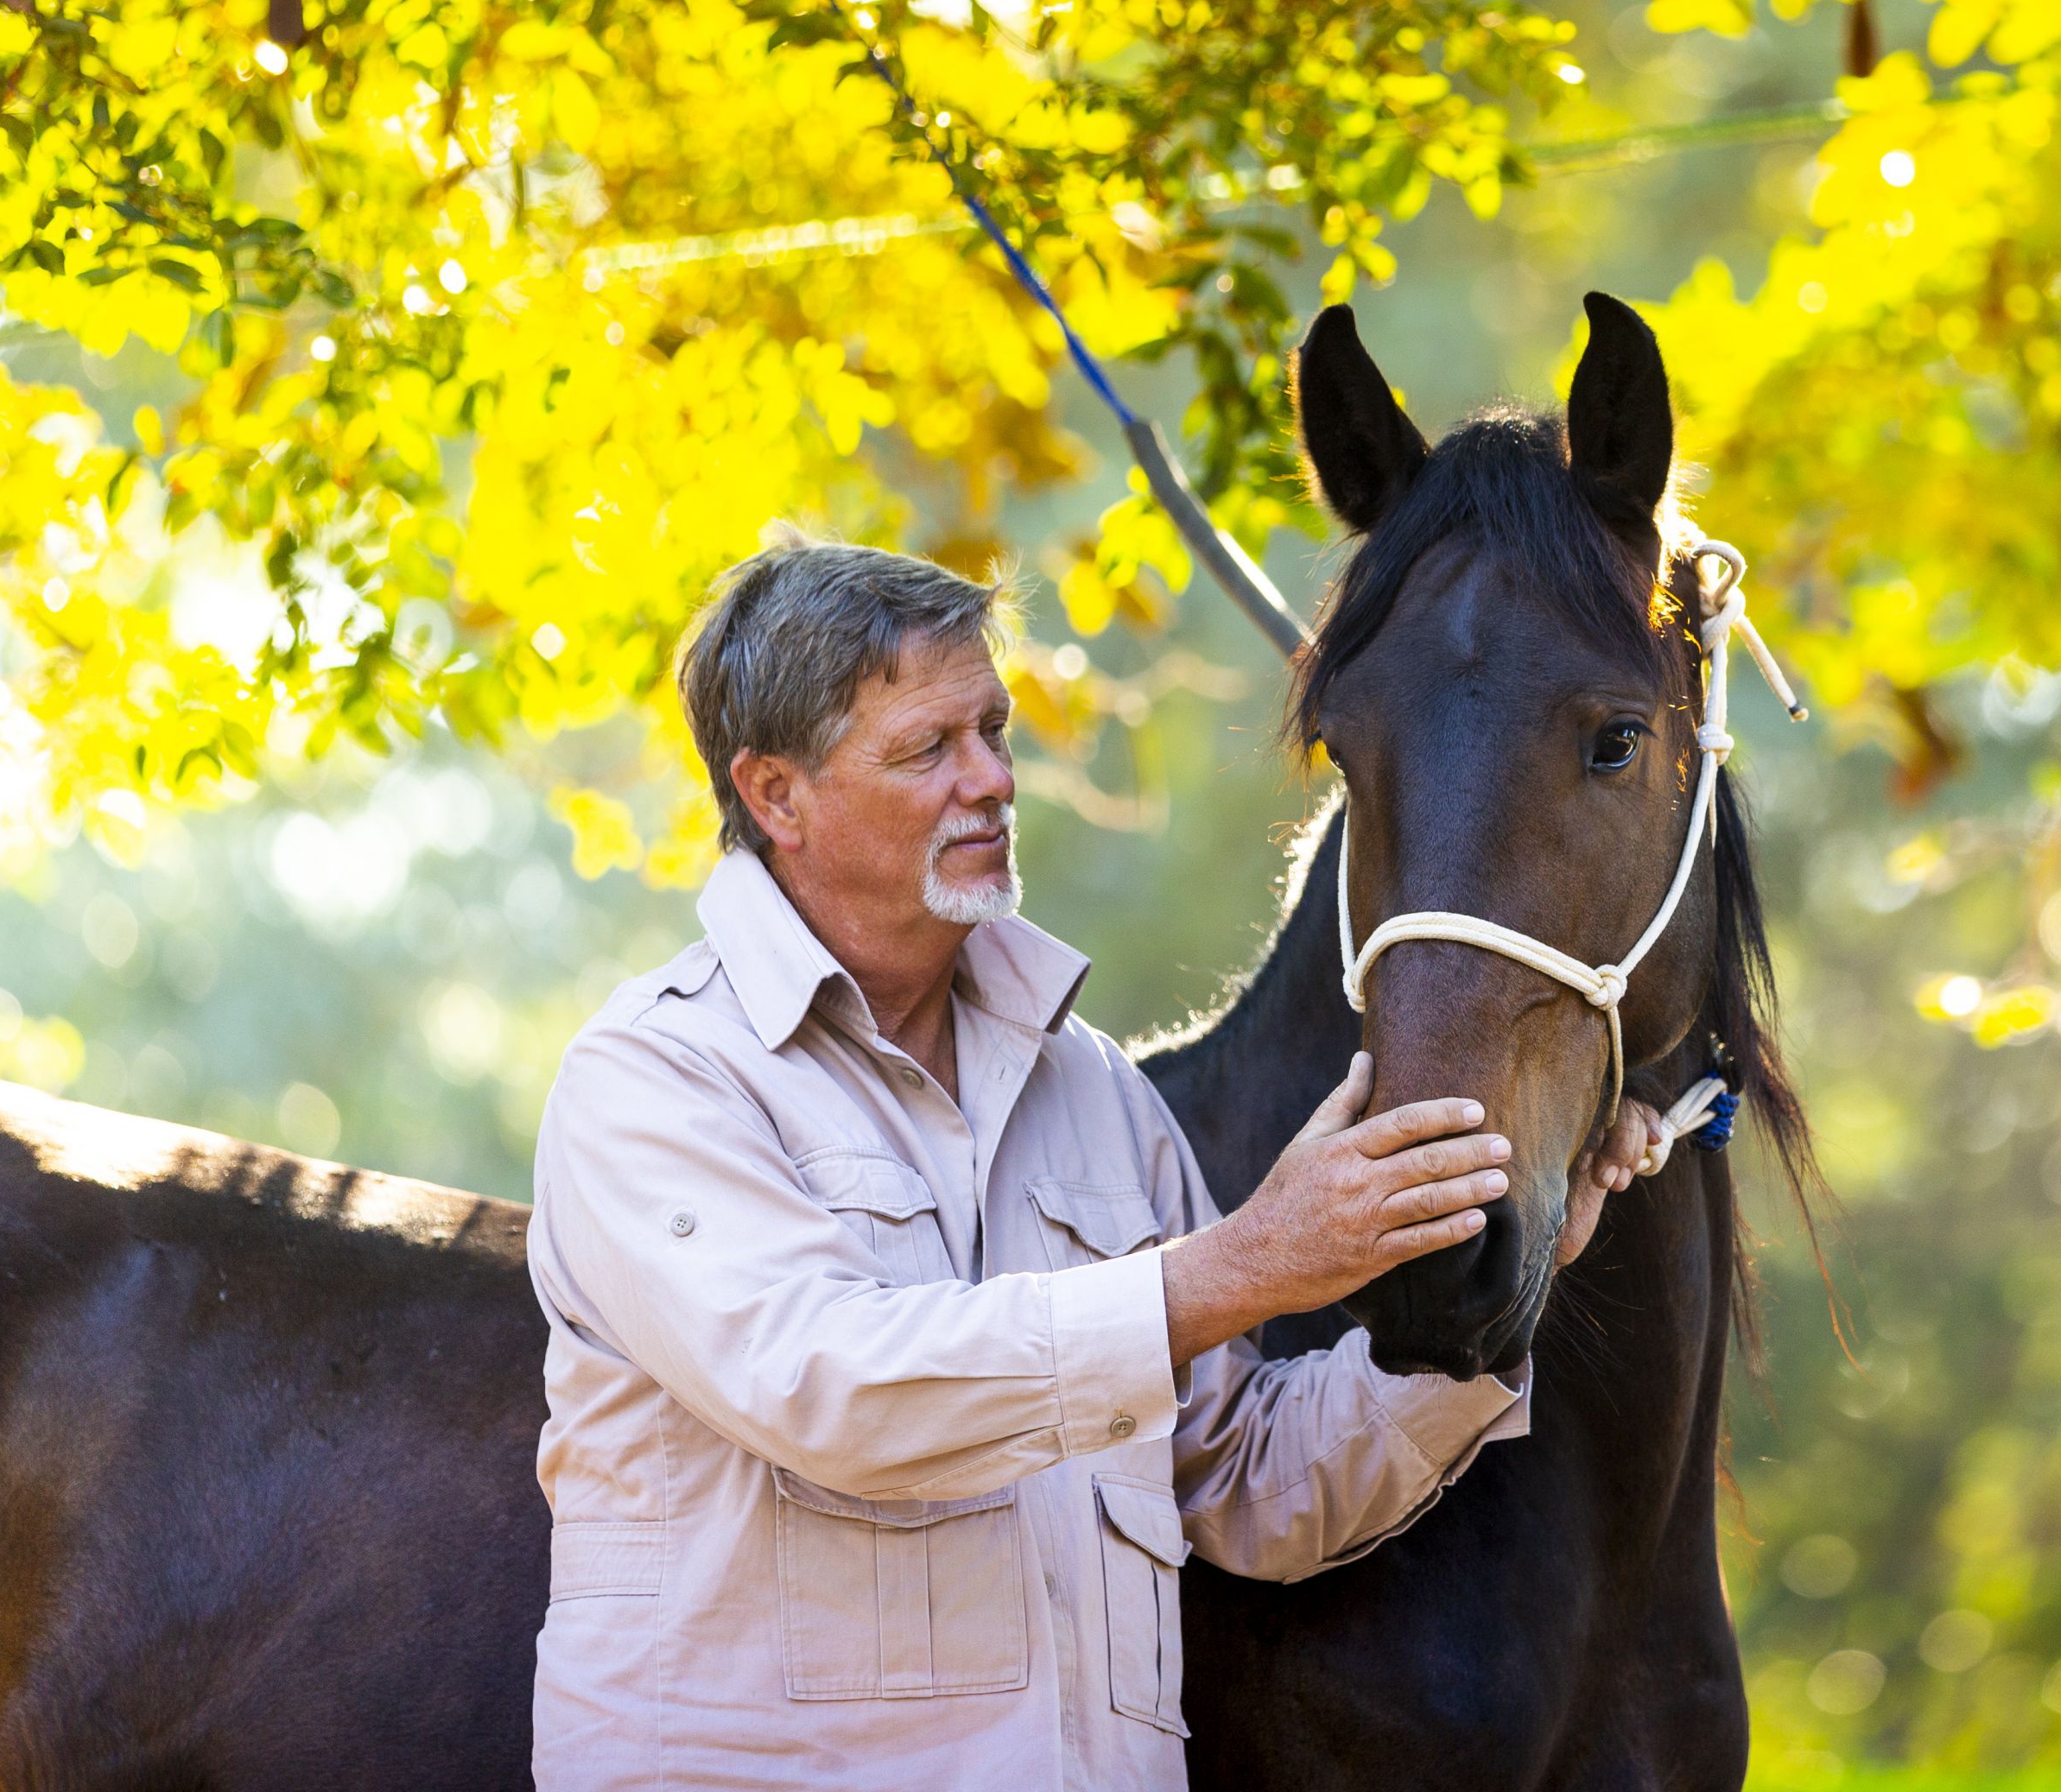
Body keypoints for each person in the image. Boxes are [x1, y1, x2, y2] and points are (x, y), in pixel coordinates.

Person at [524, 537, 1660, 1789]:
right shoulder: (659, 1077)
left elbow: (1246, 1481)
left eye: (995, 732)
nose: (992, 781)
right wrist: (1244, 1264)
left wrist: (1490, 1315)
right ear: (777, 796)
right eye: (927, 750)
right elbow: (827, 1387)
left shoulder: (1092, 1093)